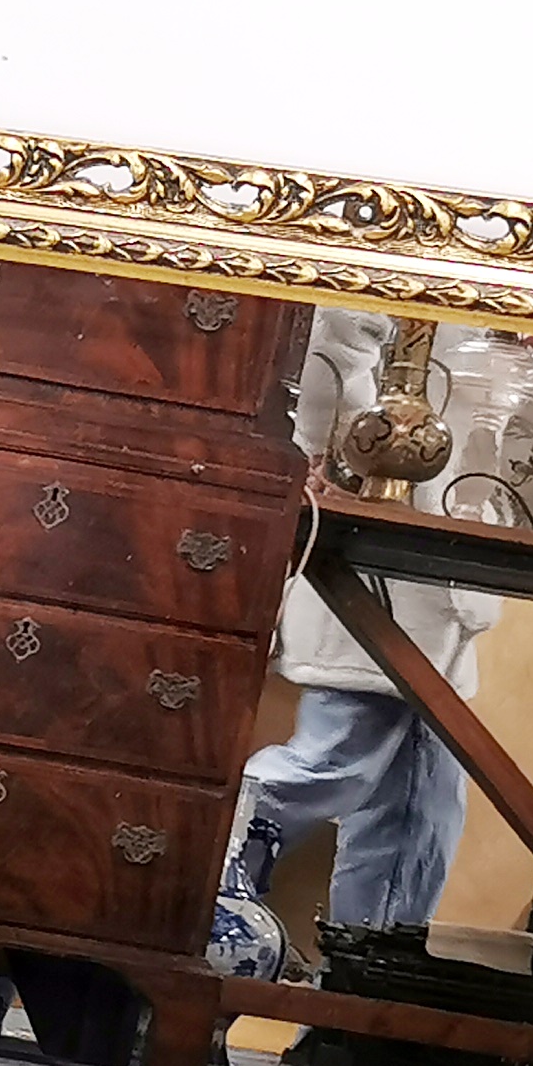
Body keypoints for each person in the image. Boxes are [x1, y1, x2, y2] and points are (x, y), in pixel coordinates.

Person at [221, 310, 505, 947]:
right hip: (379, 548)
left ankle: (366, 986)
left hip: (444, 563)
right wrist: (335, 455)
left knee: (420, 808)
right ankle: (193, 859)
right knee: (336, 761)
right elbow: (336, 339)